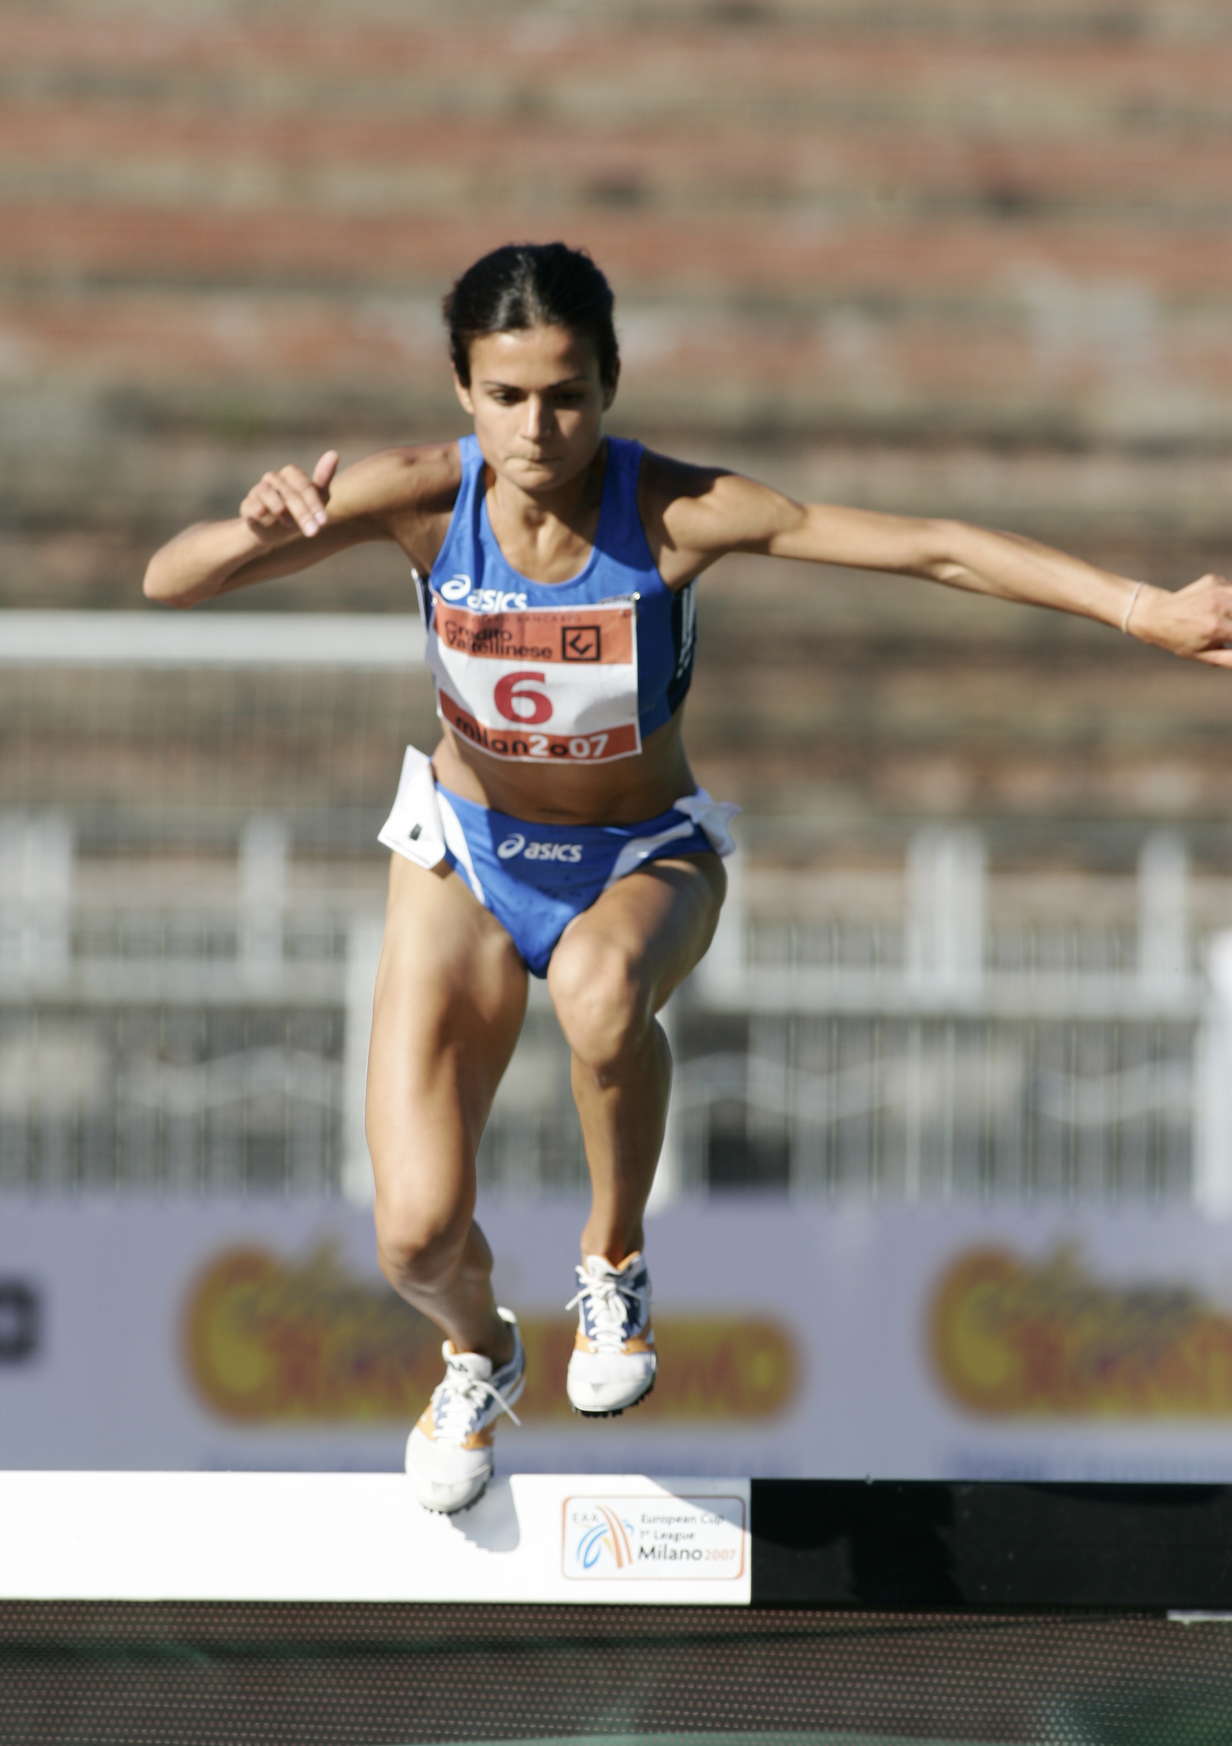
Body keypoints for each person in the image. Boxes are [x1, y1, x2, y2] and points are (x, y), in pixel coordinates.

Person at [144, 241, 1232, 1513]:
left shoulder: (671, 512)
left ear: (608, 386)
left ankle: (612, 1262)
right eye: (505, 397)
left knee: (601, 990)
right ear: (461, 391)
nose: (535, 431)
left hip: (639, 856)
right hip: (464, 860)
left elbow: (931, 548)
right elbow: (170, 580)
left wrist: (1139, 610)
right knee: (414, 1238)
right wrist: (249, 528)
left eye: (565, 397)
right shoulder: (420, 499)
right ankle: (479, 1353)